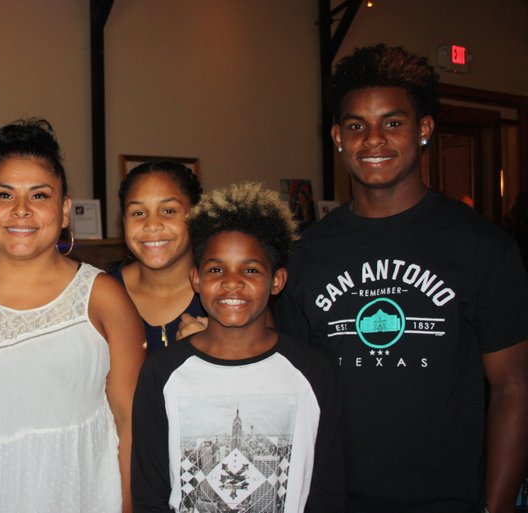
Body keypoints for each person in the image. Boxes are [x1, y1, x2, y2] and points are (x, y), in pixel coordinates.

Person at [274, 44, 528, 512]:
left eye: (392, 122)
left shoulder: (484, 248)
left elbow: (513, 387)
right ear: (336, 136)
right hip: (335, 499)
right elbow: (291, 388)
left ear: (424, 129)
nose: (373, 140)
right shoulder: (307, 254)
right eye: (356, 126)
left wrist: (496, 506)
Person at [0, 118, 145, 513]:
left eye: (39, 196)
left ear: (65, 209)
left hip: (71, 496)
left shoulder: (103, 297)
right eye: (4, 195)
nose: (20, 210)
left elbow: (131, 424)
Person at [132, 182, 344, 513]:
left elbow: (327, 489)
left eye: (250, 270)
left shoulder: (312, 371)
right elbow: (149, 491)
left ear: (277, 281)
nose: (232, 282)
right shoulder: (162, 372)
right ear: (196, 279)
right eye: (216, 269)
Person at [114, 161, 205, 353]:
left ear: (196, 216)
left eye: (169, 211)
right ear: (123, 222)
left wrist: (224, 351)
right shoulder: (104, 294)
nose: (152, 224)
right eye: (138, 213)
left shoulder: (227, 293)